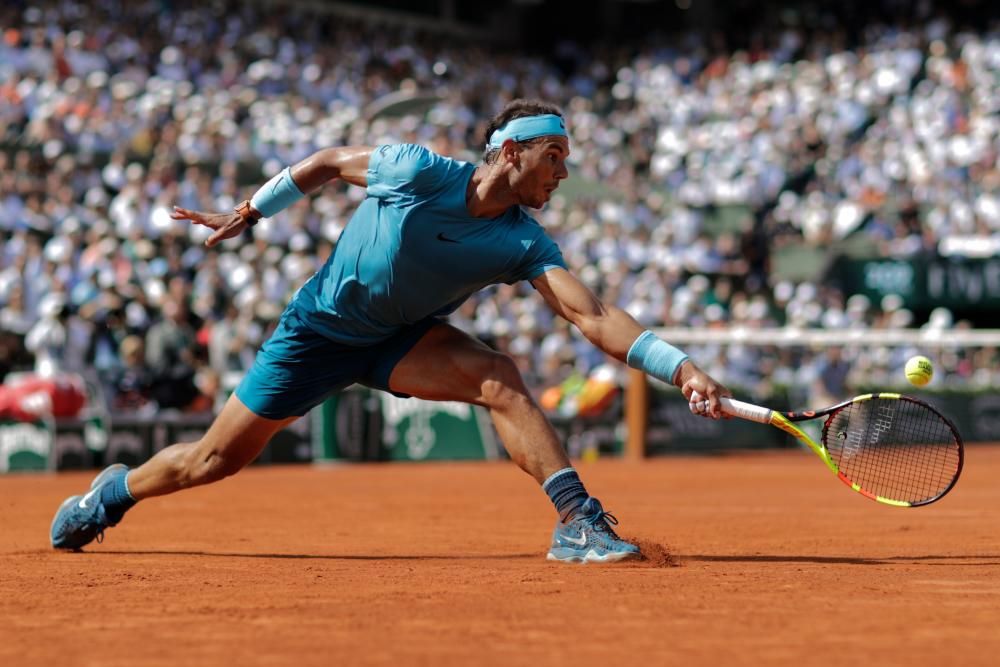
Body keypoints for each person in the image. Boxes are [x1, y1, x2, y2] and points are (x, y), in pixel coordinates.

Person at [51, 99, 731, 563]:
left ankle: (578, 521)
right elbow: (321, 163)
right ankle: (111, 493)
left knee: (500, 376)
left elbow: (595, 315)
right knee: (213, 462)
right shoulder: (414, 170)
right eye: (554, 155)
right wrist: (251, 211)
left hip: (402, 340)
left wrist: (682, 367)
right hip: (316, 333)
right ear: (511, 152)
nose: (563, 172)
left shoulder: (525, 242)